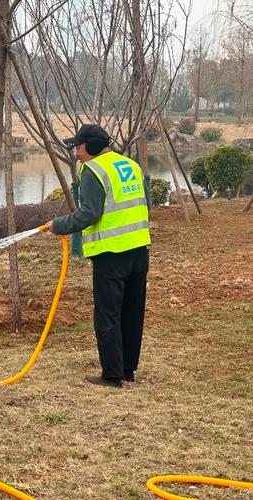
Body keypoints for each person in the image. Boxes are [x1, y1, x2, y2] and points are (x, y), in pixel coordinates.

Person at [45, 124, 151, 388]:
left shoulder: (93, 170)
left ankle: (112, 375)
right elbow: (145, 203)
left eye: (78, 147)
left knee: (108, 313)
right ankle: (127, 369)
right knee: (131, 311)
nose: (76, 153)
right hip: (139, 250)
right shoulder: (129, 165)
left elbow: (89, 214)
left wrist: (58, 225)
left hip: (111, 254)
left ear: (90, 146)